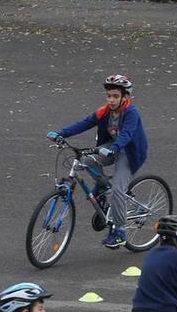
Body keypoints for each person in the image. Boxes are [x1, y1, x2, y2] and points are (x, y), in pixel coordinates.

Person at [47, 74, 148, 249]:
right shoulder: (104, 112)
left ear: (125, 97)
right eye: (109, 96)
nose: (111, 100)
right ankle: (103, 187)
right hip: (110, 147)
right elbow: (83, 123)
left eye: (116, 96)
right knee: (86, 160)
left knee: (118, 190)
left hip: (129, 152)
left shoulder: (131, 113)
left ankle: (120, 233)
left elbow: (127, 135)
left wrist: (113, 149)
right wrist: (60, 133)